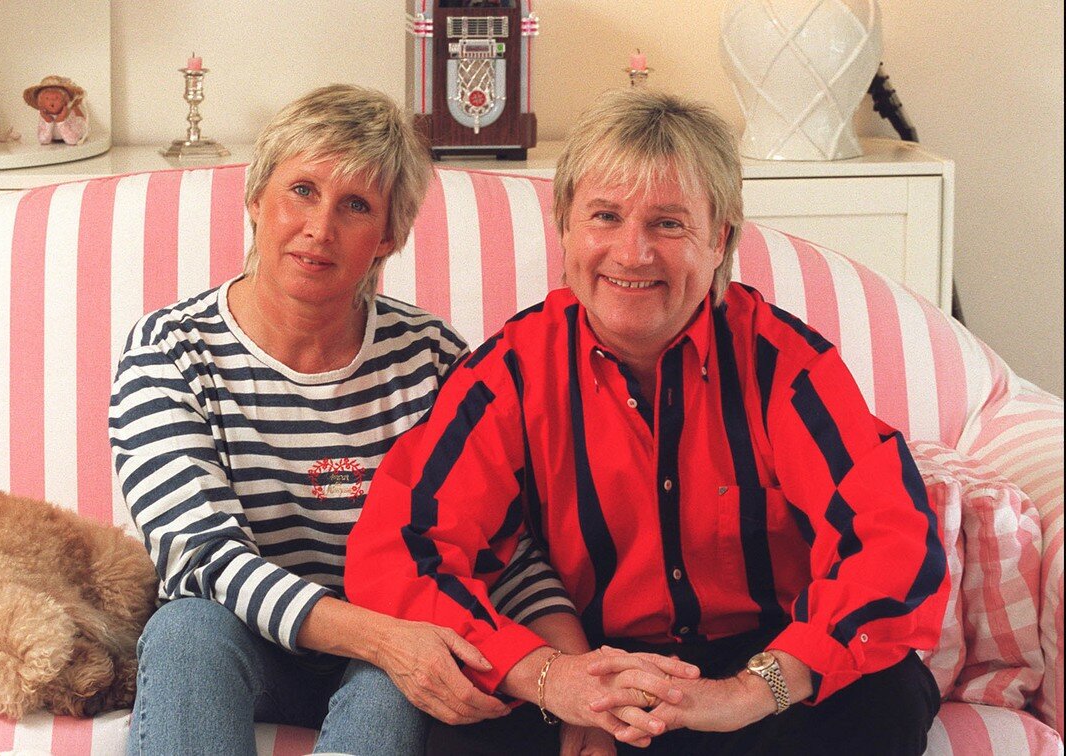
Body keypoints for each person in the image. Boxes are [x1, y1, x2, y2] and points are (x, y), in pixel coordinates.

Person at [342, 88, 949, 755]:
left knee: (887, 697)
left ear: (719, 240)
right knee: (457, 727)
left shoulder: (785, 366)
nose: (632, 254)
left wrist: (750, 692)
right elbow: (400, 548)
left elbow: (892, 541)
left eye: (667, 224)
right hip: (583, 662)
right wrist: (550, 678)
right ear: (566, 228)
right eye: (605, 216)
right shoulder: (511, 372)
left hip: (756, 669)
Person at [109, 84, 556, 755]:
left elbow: (501, 544)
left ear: (388, 236)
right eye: (302, 191)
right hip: (240, 646)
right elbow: (203, 559)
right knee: (187, 628)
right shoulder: (170, 351)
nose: (320, 228)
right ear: (256, 199)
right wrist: (387, 639)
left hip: (387, 656)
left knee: (400, 672)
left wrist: (565, 677)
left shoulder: (432, 358)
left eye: (355, 206)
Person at [23, 75, 88, 145]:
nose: (51, 101)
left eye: (56, 98)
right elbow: (43, 141)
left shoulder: (70, 115)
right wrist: (48, 121)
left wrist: (61, 121)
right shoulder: (44, 115)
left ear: (65, 101)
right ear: (41, 103)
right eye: (47, 98)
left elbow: (72, 141)